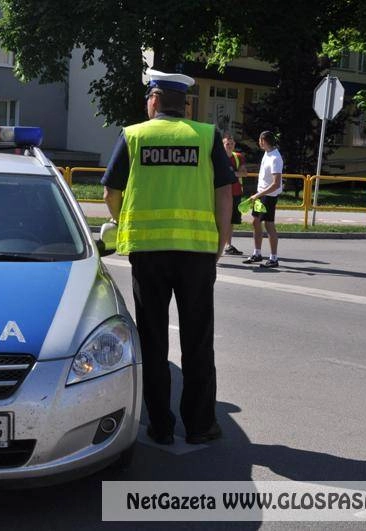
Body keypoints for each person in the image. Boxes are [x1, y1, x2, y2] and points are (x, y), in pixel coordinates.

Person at [101, 69, 235, 445]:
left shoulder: (134, 135)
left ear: (155, 100)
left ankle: (160, 426)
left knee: (153, 340)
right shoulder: (206, 136)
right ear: (185, 105)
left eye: (149, 98)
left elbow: (111, 192)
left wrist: (123, 221)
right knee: (198, 341)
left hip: (148, 254)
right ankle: (200, 425)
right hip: (196, 253)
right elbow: (225, 193)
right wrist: (221, 240)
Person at [243, 130, 283, 268]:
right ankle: (257, 253)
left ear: (263, 141)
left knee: (268, 225)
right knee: (256, 222)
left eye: (260, 140)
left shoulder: (275, 158)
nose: (258, 142)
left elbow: (276, 184)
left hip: (268, 196)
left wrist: (257, 195)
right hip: (262, 195)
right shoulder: (267, 153)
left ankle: (273, 258)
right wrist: (258, 194)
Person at [222, 132, 248, 255]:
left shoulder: (238, 157)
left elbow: (244, 173)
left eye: (232, 143)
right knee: (221, 219)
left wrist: (231, 174)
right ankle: (219, 245)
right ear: (223, 144)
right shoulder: (218, 157)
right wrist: (234, 174)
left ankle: (228, 245)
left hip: (236, 192)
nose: (230, 146)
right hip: (221, 193)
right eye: (227, 143)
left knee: (232, 220)